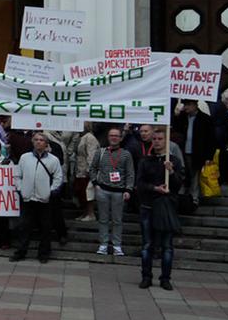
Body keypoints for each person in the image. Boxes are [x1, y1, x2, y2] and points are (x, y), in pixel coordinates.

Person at [136, 128, 183, 290]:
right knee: (147, 244)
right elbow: (140, 184)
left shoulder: (174, 161)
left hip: (166, 207)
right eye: (154, 138)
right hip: (148, 206)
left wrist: (171, 171)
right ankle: (146, 276)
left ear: (166, 140)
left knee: (167, 246)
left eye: (160, 139)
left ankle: (165, 278)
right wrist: (155, 188)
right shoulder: (145, 161)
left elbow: (179, 184)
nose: (156, 141)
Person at [10, 132, 63, 264]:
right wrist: (21, 189)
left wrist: (49, 192)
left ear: (46, 144)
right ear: (32, 142)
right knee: (24, 227)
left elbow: (58, 178)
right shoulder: (25, 158)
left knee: (45, 228)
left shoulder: (53, 160)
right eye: (36, 140)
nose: (38, 142)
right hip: (28, 199)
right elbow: (18, 176)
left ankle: (44, 254)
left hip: (44, 200)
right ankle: (21, 252)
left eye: (41, 140)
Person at [89, 127, 135, 256]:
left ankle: (117, 245)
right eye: (111, 135)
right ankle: (103, 244)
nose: (114, 138)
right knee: (103, 219)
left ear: (120, 138)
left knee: (117, 220)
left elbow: (130, 173)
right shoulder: (101, 152)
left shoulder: (126, 154)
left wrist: (128, 189)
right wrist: (95, 183)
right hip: (103, 189)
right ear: (108, 137)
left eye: (116, 135)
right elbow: (92, 168)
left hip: (119, 192)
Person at [172, 99, 216, 208]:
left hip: (197, 152)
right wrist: (177, 115)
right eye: (185, 105)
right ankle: (182, 196)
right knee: (184, 172)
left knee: (195, 174)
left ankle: (194, 198)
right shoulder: (182, 118)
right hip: (183, 151)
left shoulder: (205, 119)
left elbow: (211, 139)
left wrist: (209, 156)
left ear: (195, 105)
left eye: (188, 105)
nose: (186, 107)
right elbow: (175, 128)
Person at [74, 123, 99, 222]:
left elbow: (91, 155)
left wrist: (90, 170)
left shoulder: (90, 138)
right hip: (79, 169)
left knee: (88, 193)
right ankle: (84, 213)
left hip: (86, 171)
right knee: (81, 193)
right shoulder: (81, 137)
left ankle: (90, 213)